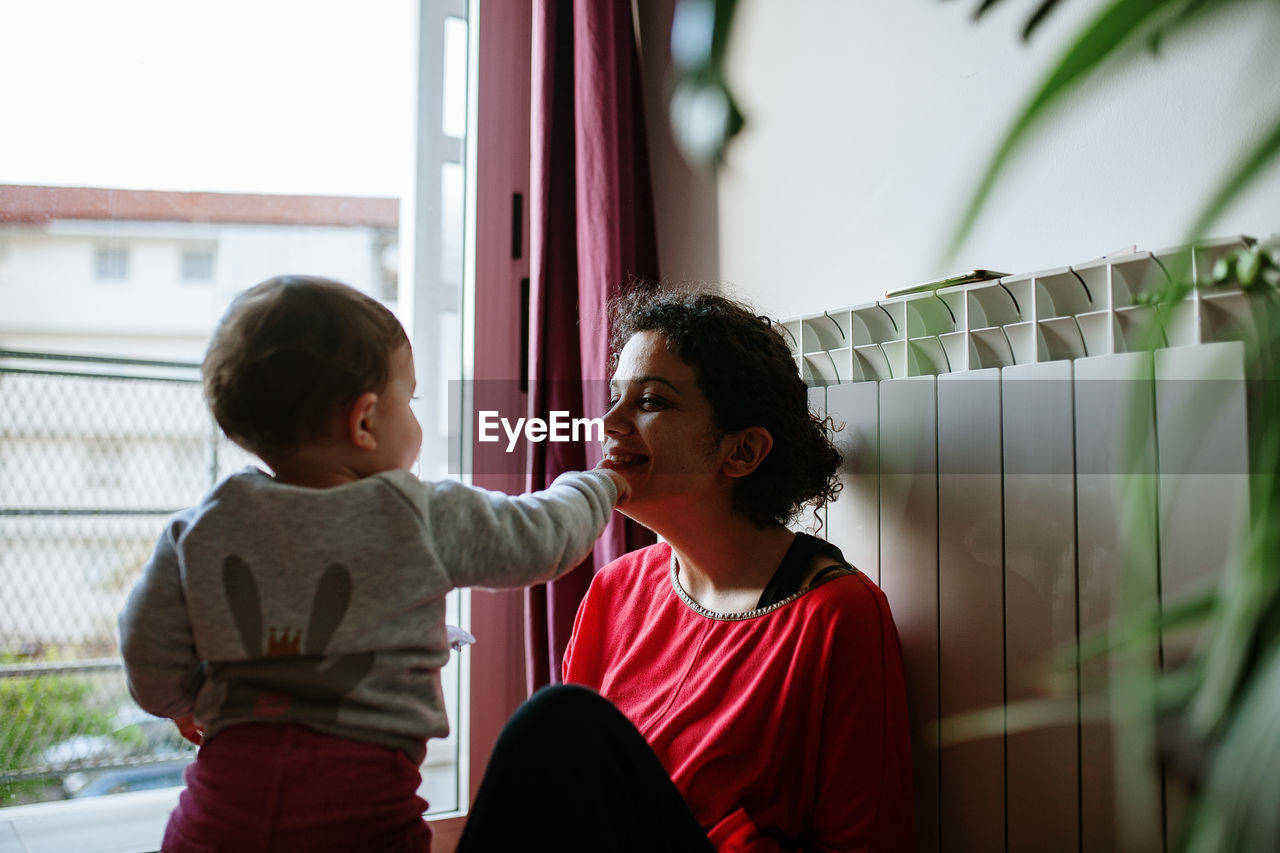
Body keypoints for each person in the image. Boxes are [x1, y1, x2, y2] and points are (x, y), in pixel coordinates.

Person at [118, 274, 628, 852]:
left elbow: (147, 651)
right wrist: (599, 484)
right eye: (408, 400)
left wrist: (184, 701)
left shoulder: (199, 527)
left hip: (213, 825)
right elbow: (543, 538)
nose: (414, 421)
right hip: (358, 825)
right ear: (364, 422)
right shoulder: (416, 513)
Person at [459, 289, 915, 852]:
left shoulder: (835, 615)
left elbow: (868, 841)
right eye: (614, 397)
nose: (609, 422)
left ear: (742, 452)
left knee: (556, 717)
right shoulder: (616, 588)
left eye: (651, 401)